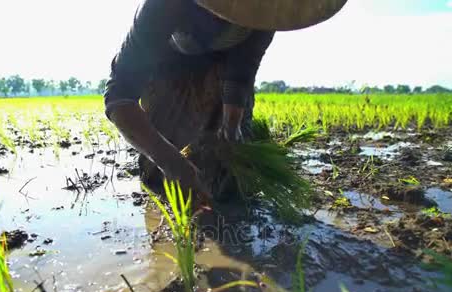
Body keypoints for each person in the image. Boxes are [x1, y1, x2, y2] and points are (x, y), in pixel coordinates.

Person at [105, 0, 347, 201]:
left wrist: (230, 127)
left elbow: (241, 73)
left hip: (220, 72)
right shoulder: (164, 6)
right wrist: (170, 162)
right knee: (161, 180)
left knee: (229, 179)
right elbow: (119, 96)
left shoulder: (267, 13)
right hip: (168, 73)